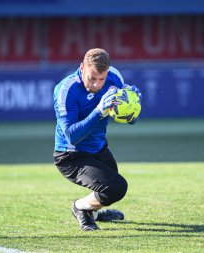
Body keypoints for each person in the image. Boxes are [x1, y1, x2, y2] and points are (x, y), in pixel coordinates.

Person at [53, 48, 142, 231]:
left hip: (99, 149)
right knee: (116, 187)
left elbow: (130, 121)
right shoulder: (66, 89)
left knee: (110, 188)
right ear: (82, 67)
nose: (97, 84)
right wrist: (99, 111)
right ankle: (79, 207)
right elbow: (72, 135)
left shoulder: (115, 77)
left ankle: (92, 212)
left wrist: (132, 109)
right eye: (92, 78)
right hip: (71, 156)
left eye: (101, 79)